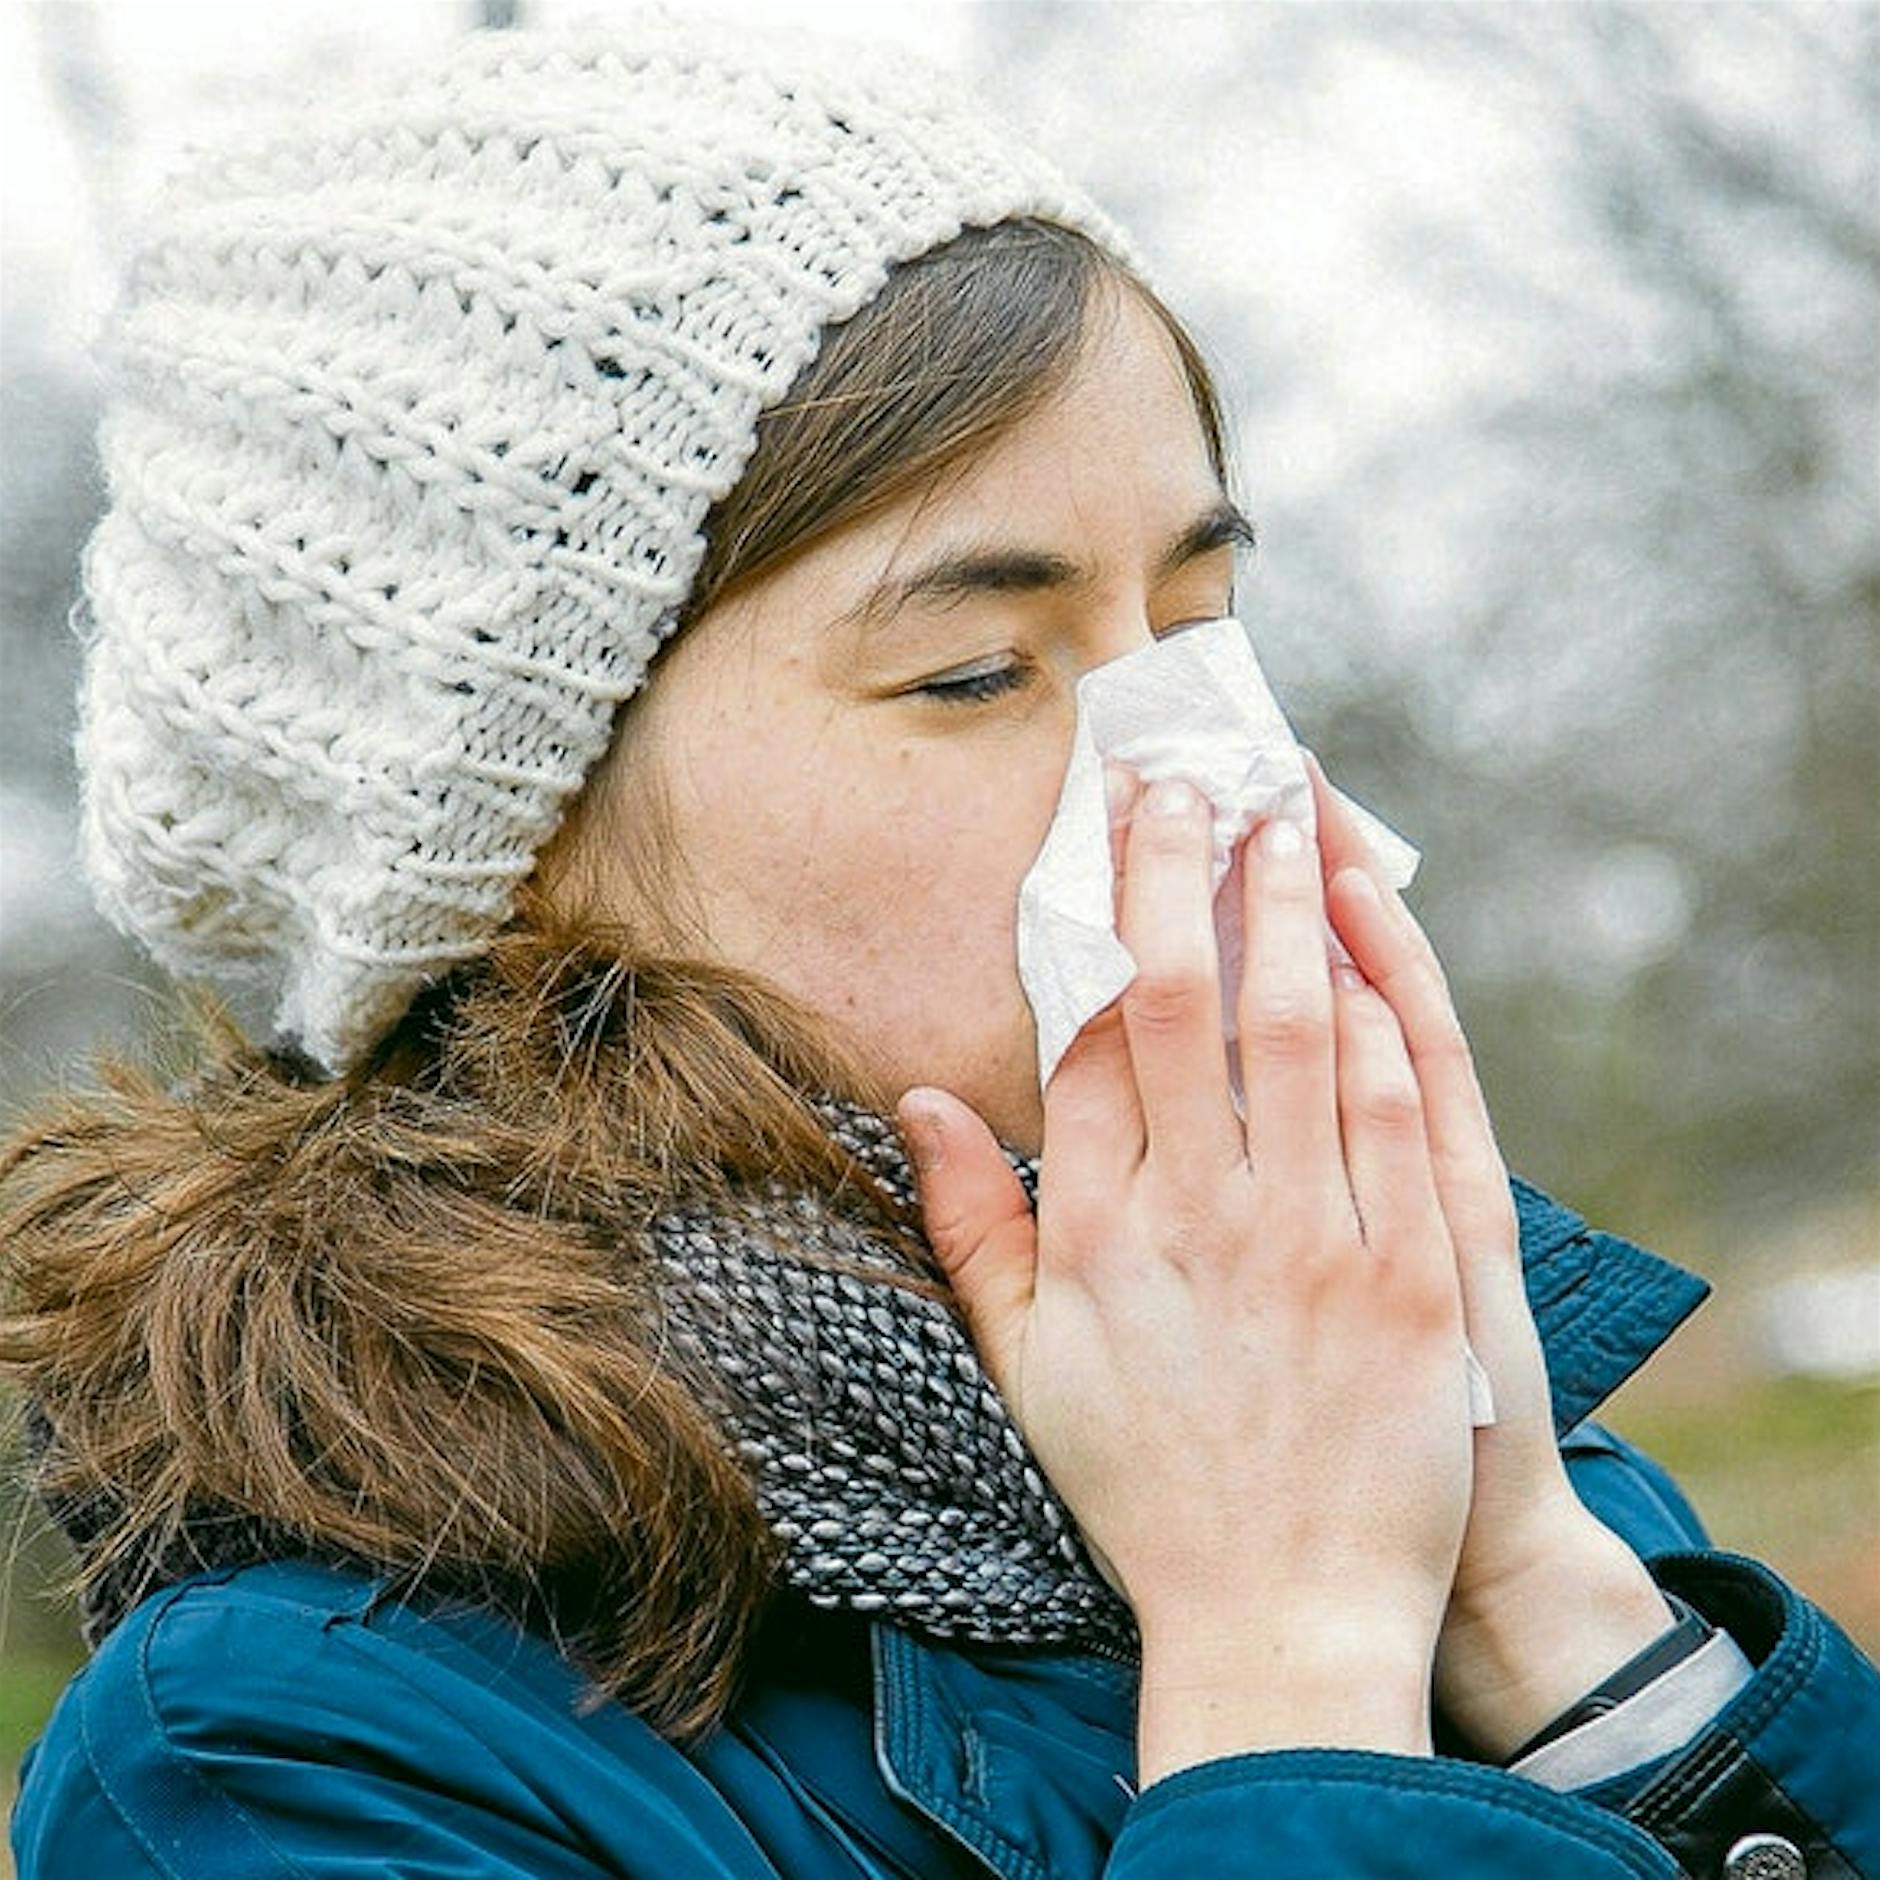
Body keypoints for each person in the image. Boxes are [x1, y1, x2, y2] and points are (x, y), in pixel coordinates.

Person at [4, 20, 1875, 1879]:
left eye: (1204, 622)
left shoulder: (1407, 1432)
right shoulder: (280, 1765)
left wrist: (1558, 1623)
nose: (1216, 782)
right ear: (514, 861)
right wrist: (1285, 1665)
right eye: (978, 670)